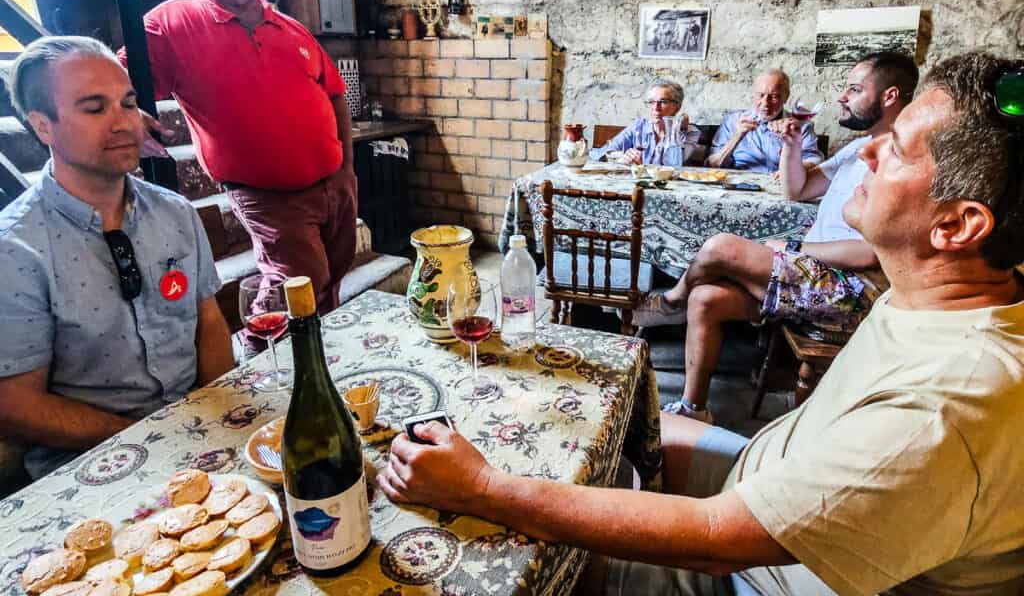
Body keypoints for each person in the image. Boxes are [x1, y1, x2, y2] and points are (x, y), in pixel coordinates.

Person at [379, 50, 1024, 594]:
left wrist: (485, 489)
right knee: (577, 415)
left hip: (745, 572)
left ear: (958, 225)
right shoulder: (942, 296)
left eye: (899, 144)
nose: (872, 150)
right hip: (765, 477)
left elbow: (718, 540)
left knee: (513, 556)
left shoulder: (947, 410)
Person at [636, 51, 918, 421]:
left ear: (890, 96)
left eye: (853, 89)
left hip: (849, 291)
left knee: (721, 246)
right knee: (705, 298)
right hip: (813, 276)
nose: (841, 97)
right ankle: (693, 409)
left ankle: (671, 300)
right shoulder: (855, 148)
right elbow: (796, 191)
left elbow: (869, 253)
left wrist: (793, 246)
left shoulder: (897, 160)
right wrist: (792, 143)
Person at [0, 36, 234, 479]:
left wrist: (216, 418)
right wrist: (149, 438)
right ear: (42, 126)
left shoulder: (175, 212)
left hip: (198, 434)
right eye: (94, 108)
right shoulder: (16, 249)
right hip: (95, 462)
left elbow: (209, 322)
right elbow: (15, 406)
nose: (124, 123)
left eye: (127, 103)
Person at [122, 0, 356, 316]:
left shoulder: (288, 27)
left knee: (332, 277)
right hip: (269, 196)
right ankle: (263, 355)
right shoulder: (173, 23)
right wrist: (128, 108)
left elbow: (335, 94)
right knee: (297, 287)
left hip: (334, 185)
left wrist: (346, 169)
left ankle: (322, 354)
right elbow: (112, 77)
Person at [707, 69, 823, 171]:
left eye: (773, 96)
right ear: (754, 94)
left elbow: (814, 160)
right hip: (739, 185)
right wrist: (737, 136)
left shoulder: (800, 125)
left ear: (786, 97)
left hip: (781, 186)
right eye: (761, 95)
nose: (765, 103)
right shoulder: (732, 121)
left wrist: (791, 173)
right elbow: (712, 164)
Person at [589, 79, 702, 166]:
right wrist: (620, 157)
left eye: (663, 101)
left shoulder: (690, 132)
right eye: (651, 102)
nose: (655, 108)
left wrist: (676, 129)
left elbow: (674, 165)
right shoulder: (639, 127)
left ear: (677, 106)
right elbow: (598, 153)